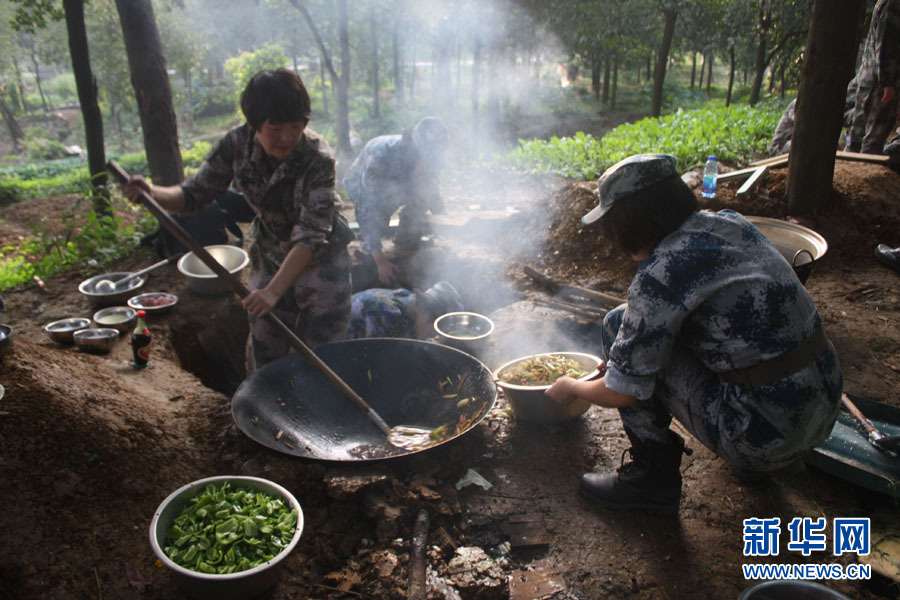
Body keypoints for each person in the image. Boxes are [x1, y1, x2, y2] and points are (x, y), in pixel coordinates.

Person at [545, 154, 843, 515]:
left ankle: (652, 482)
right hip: (824, 407)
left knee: (615, 324)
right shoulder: (732, 224)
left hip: (765, 433)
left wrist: (572, 388)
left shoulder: (661, 273)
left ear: (629, 223)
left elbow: (622, 391)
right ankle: (761, 464)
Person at [120, 69, 354, 373]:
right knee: (265, 346)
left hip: (323, 265)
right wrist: (152, 192)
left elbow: (311, 234)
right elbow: (195, 194)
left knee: (322, 357)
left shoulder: (317, 157)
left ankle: (317, 415)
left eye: (296, 126)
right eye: (276, 127)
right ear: (254, 123)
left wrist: (273, 291)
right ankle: (262, 414)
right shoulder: (235, 145)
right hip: (270, 256)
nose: (286, 137)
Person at [343, 116, 450, 286]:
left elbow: (432, 191)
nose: (429, 165)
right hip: (362, 187)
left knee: (422, 194)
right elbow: (366, 207)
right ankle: (370, 251)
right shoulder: (381, 156)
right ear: (415, 151)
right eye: (427, 161)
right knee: (378, 220)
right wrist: (380, 262)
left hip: (399, 183)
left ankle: (406, 239)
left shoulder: (428, 159)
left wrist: (446, 224)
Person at [846, 0, 900, 154]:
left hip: (875, 82)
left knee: (858, 138)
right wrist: (887, 83)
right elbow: (885, 45)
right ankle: (861, 175)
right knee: (872, 140)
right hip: (880, 86)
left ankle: (851, 175)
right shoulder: (894, 4)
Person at [346, 280, 463, 340]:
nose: (435, 335)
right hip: (335, 345)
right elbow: (377, 361)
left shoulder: (409, 300)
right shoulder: (390, 316)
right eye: (436, 329)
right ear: (425, 310)